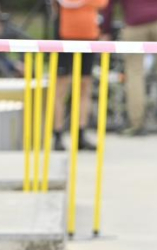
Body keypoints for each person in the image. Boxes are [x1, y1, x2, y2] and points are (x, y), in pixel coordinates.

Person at [100, 0, 157, 136]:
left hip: (134, 23)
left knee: (134, 72)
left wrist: (106, 29)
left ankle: (136, 124)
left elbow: (110, 3)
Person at [51, 0, 109, 152]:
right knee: (61, 87)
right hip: (65, 33)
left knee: (85, 86)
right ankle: (57, 134)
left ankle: (80, 133)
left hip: (89, 33)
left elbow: (102, 3)